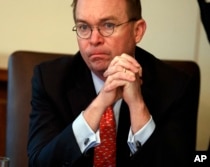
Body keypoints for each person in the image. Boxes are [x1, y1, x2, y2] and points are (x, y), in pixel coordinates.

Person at [27, 0, 198, 166]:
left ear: (137, 31)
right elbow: (39, 162)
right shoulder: (50, 80)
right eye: (84, 27)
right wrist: (99, 104)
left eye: (108, 25)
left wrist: (137, 106)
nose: (94, 40)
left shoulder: (176, 86)